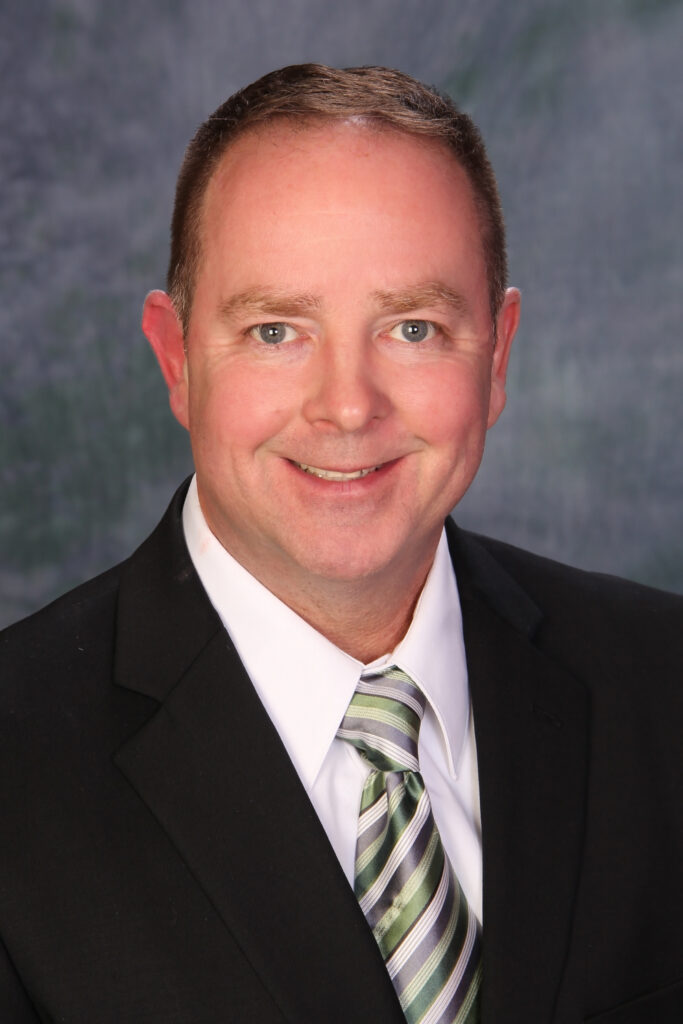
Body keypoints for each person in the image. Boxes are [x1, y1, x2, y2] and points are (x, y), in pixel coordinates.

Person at [0, 64, 681, 1024]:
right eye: (276, 330)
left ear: (497, 356)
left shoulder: (663, 686)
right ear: (176, 359)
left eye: (413, 327)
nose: (348, 406)